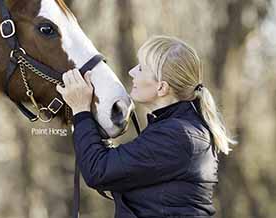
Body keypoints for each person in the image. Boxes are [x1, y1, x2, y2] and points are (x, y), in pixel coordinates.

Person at [56, 35, 236, 218]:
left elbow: (98, 171)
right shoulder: (180, 129)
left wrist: (80, 110)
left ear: (161, 88)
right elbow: (117, 172)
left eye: (141, 68)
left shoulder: (177, 135)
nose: (132, 71)